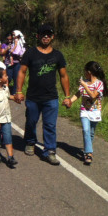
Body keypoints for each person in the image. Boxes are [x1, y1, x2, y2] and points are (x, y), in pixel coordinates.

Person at [14, 23, 71, 165]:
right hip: (33, 97)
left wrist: (68, 96)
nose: (46, 36)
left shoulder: (58, 55)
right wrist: (19, 91)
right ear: (38, 36)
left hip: (51, 97)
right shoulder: (31, 53)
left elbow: (64, 76)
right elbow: (22, 71)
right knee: (31, 122)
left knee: (50, 125)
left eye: (49, 34)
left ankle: (50, 151)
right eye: (43, 34)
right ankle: (30, 141)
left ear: (52, 37)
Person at [67, 61, 108, 165]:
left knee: (91, 133)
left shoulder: (99, 84)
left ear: (89, 72)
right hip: (84, 111)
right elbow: (78, 94)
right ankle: (89, 153)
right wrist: (70, 101)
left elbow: (93, 96)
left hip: (95, 112)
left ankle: (87, 149)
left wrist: (84, 85)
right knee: (86, 130)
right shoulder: (85, 82)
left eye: (85, 71)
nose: (84, 73)